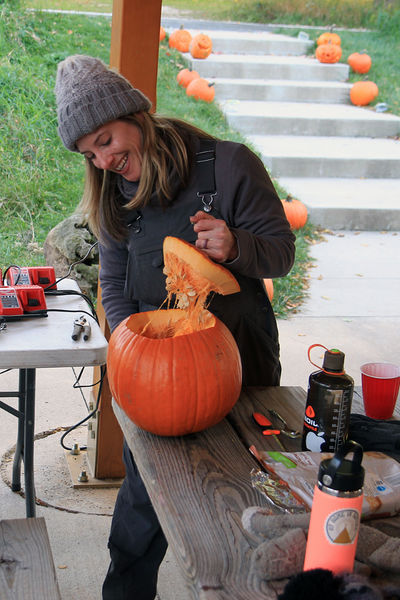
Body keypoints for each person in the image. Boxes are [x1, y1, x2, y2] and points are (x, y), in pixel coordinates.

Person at [55, 54, 296, 600]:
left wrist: (237, 246)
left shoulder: (231, 166)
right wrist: (127, 346)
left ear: (134, 113)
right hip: (158, 381)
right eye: (89, 152)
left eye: (106, 139)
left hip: (242, 364)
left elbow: (281, 254)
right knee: (141, 518)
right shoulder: (112, 194)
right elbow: (113, 283)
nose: (104, 158)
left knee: (252, 504)